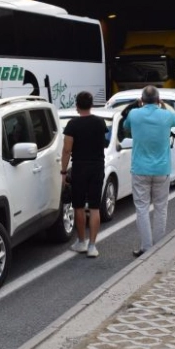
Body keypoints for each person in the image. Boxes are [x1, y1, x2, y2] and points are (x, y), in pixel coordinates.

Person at [123, 85, 175, 257]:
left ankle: (146, 247)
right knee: (161, 207)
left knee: (142, 208)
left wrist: (139, 108)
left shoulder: (134, 114)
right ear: (159, 101)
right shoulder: (166, 115)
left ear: (142, 100)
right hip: (162, 169)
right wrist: (164, 107)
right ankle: (159, 247)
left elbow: (125, 127)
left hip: (140, 169)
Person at [61, 91, 108, 258]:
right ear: (92, 104)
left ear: (77, 106)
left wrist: (63, 172)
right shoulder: (100, 123)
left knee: (78, 206)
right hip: (97, 167)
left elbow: (67, 150)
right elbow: (103, 143)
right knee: (95, 207)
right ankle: (93, 246)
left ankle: (81, 242)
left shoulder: (72, 125)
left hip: (79, 168)